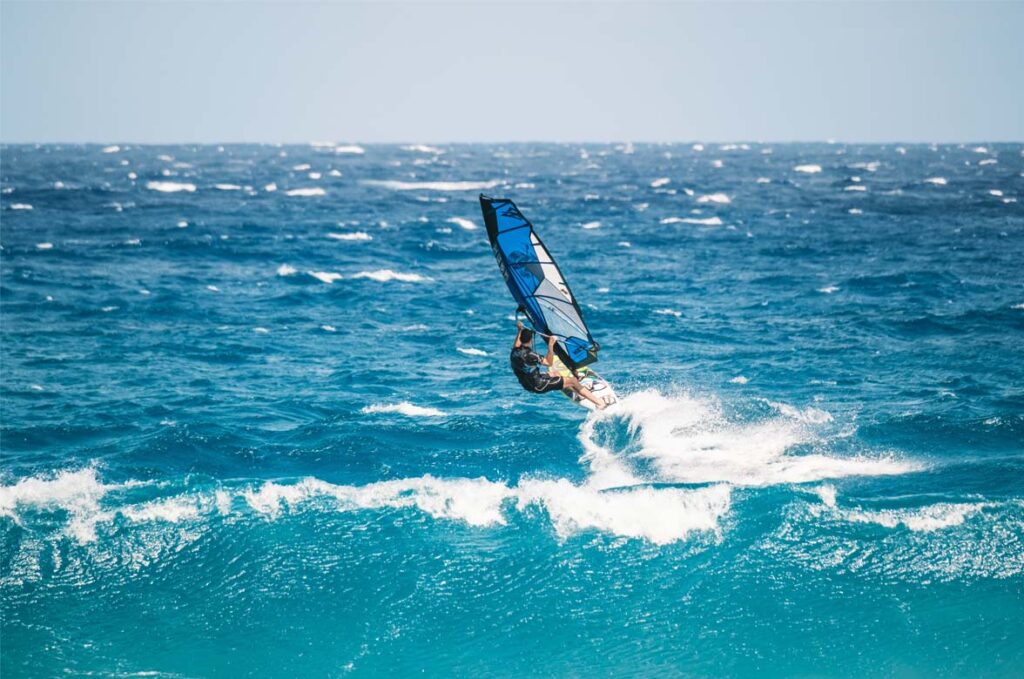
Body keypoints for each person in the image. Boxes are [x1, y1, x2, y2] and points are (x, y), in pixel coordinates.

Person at [510, 321, 606, 409]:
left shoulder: (514, 352)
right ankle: (599, 403)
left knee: (555, 373)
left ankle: (573, 386)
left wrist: (520, 329)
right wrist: (551, 345)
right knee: (573, 381)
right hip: (539, 385)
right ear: (530, 340)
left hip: (526, 384)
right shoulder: (530, 355)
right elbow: (549, 362)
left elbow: (517, 344)